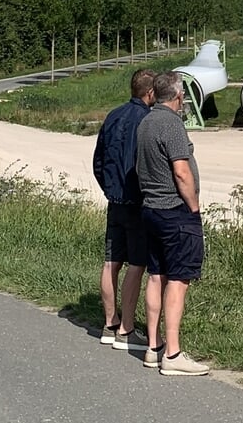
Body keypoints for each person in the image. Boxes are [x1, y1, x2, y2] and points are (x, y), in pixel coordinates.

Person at [135, 72, 209, 376]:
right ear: (177, 96)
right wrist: (193, 208)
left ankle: (153, 346)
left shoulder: (146, 121)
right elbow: (181, 171)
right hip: (174, 210)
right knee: (179, 280)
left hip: (150, 208)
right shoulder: (172, 124)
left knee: (156, 275)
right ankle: (173, 353)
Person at [91, 68, 156, 349]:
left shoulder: (113, 115)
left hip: (114, 200)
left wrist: (109, 189)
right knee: (137, 264)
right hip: (136, 202)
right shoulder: (147, 120)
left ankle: (109, 323)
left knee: (110, 262)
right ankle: (127, 329)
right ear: (150, 93)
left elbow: (98, 159)